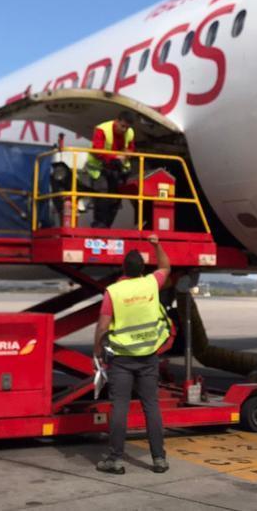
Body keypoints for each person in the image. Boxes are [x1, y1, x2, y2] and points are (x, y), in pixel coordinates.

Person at [93, 234, 171, 474]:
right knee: (151, 406)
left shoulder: (114, 292)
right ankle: (159, 459)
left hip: (122, 359)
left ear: (123, 268)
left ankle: (115, 459)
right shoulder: (151, 283)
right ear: (142, 269)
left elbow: (103, 326)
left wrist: (97, 351)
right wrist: (156, 245)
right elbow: (166, 266)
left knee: (120, 407)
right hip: (148, 356)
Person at [85, 111, 136, 228]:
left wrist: (127, 154)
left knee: (116, 199)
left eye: (127, 127)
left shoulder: (130, 133)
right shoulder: (102, 129)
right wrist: (115, 158)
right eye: (122, 126)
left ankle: (106, 226)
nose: (124, 130)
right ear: (116, 121)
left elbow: (131, 149)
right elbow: (97, 151)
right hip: (99, 168)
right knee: (102, 194)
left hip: (117, 170)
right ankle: (99, 224)